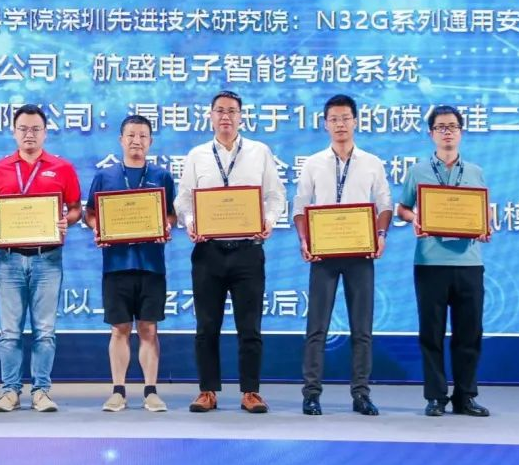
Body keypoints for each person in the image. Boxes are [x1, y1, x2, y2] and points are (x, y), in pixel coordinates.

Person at [174, 90, 287, 414]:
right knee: (206, 326)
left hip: (247, 251)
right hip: (208, 252)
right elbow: (183, 199)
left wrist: (268, 221)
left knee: (249, 326)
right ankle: (207, 391)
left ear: (241, 116)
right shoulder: (197, 155)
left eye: (232, 111)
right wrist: (191, 222)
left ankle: (251, 392)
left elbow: (276, 196)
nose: (226, 116)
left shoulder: (259, 152)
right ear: (210, 116)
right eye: (220, 111)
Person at [0, 105, 82, 412]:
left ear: (45, 133)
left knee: (45, 332)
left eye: (35, 129)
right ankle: (10, 391)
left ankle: (41, 391)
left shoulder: (62, 168)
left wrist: (67, 220)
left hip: (47, 258)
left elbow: (76, 208)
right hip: (8, 259)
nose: (29, 135)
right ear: (14, 132)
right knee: (10, 332)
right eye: (23, 129)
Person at [293, 94, 391, 416]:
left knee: (362, 329)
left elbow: (385, 204)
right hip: (323, 256)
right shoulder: (312, 163)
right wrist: (304, 240)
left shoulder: (372, 163)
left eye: (345, 118)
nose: (340, 124)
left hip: (360, 254)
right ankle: (311, 394)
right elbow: (300, 206)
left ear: (356, 121)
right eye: (334, 119)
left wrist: (380, 235)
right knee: (316, 327)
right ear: (325, 124)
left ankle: (361, 394)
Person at [396, 105, 491, 417]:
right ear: (431, 133)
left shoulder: (475, 172)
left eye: (452, 126)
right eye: (441, 127)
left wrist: (484, 228)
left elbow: (481, 213)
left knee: (469, 333)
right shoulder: (417, 171)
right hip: (430, 263)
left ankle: (465, 396)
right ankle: (435, 397)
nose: (447, 132)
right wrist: (415, 217)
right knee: (431, 333)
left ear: (461, 132)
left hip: (469, 264)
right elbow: (402, 208)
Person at [83, 115, 177, 412]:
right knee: (119, 329)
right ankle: (118, 391)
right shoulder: (105, 176)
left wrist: (166, 225)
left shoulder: (162, 176)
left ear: (150, 141)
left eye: (142, 136)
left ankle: (151, 391)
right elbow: (90, 213)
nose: (137, 141)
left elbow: (171, 214)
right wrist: (98, 228)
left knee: (149, 329)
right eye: (131, 135)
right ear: (121, 140)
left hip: (151, 265)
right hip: (116, 265)